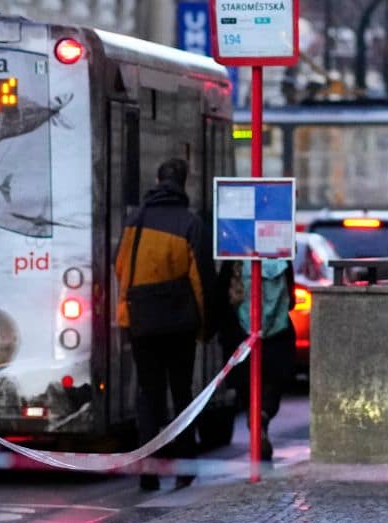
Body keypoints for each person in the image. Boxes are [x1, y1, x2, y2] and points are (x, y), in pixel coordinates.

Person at [114, 159, 214, 491]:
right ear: (183, 183)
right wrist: (204, 325)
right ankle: (184, 467)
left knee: (148, 394)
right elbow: (200, 281)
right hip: (179, 323)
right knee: (181, 392)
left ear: (158, 180)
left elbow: (120, 267)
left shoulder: (135, 220)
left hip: (142, 320)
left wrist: (128, 311)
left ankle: (148, 471)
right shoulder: (190, 223)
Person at [221, 258, 297, 461]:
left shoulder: (234, 258)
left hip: (241, 338)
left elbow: (221, 297)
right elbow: (291, 300)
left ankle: (255, 419)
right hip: (277, 335)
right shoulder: (282, 258)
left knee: (247, 388)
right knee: (272, 386)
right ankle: (262, 416)